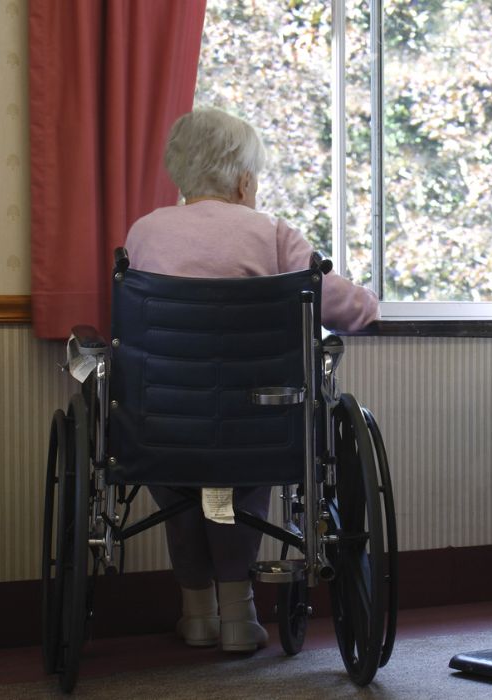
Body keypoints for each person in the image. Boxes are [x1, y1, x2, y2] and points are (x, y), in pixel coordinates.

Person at [124, 107, 379, 652]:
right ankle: (238, 616)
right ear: (244, 180)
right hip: (252, 426)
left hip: (160, 423)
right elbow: (344, 308)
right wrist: (370, 302)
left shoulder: (143, 232)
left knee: (182, 486)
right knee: (234, 478)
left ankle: (197, 613)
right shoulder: (271, 233)